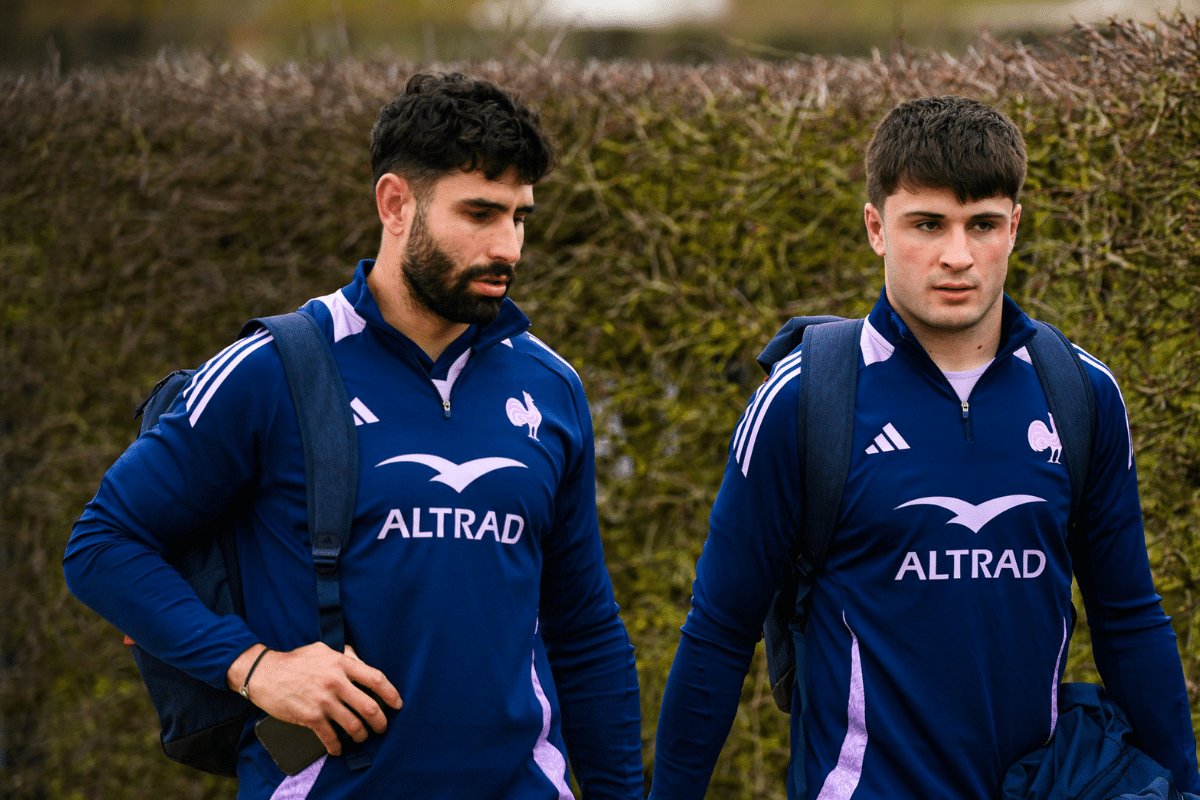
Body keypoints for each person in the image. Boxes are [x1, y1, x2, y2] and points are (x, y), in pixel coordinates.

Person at [64, 72, 643, 800]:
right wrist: (256, 667)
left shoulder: (550, 386)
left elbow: (584, 627)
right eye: (480, 213)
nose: (509, 247)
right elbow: (103, 544)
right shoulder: (273, 370)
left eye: (520, 217)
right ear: (395, 203)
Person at [649, 95, 1200, 799]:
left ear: (1015, 227)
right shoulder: (803, 399)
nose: (958, 256)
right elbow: (719, 633)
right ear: (877, 227)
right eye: (928, 224)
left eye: (984, 225)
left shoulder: (1081, 393)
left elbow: (1128, 619)